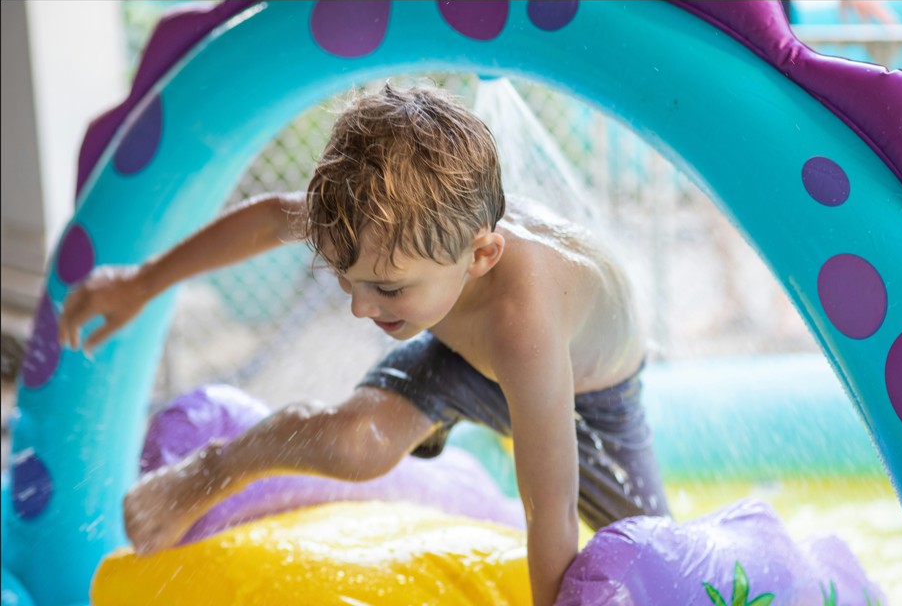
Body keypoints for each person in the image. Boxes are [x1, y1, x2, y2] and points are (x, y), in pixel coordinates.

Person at [58, 83, 669, 606]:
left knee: (651, 553)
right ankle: (218, 467)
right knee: (360, 444)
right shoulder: (383, 222)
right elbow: (271, 217)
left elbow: (550, 509)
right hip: (457, 356)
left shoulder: (523, 321)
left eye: (386, 288)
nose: (359, 306)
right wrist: (142, 283)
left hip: (593, 393)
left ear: (481, 256)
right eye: (345, 279)